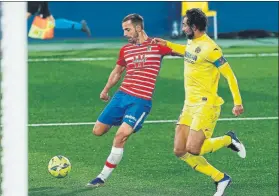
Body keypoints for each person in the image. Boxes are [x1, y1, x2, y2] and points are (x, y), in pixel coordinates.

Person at [152, 8, 246, 196]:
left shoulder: (211, 49)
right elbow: (188, 52)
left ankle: (228, 139)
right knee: (180, 150)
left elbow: (229, 75)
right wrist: (168, 45)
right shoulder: (192, 42)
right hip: (189, 104)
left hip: (206, 104)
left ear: (194, 27)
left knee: (194, 149)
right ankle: (221, 178)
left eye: (186, 24)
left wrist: (237, 102)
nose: (183, 26)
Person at [86, 13, 175, 188]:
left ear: (138, 28)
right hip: (121, 96)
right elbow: (117, 71)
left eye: (127, 29)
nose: (125, 33)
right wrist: (105, 90)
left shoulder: (158, 46)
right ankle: (125, 120)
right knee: (98, 131)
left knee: (121, 136)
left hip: (140, 101)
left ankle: (102, 177)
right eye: (124, 30)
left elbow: (184, 53)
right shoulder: (126, 50)